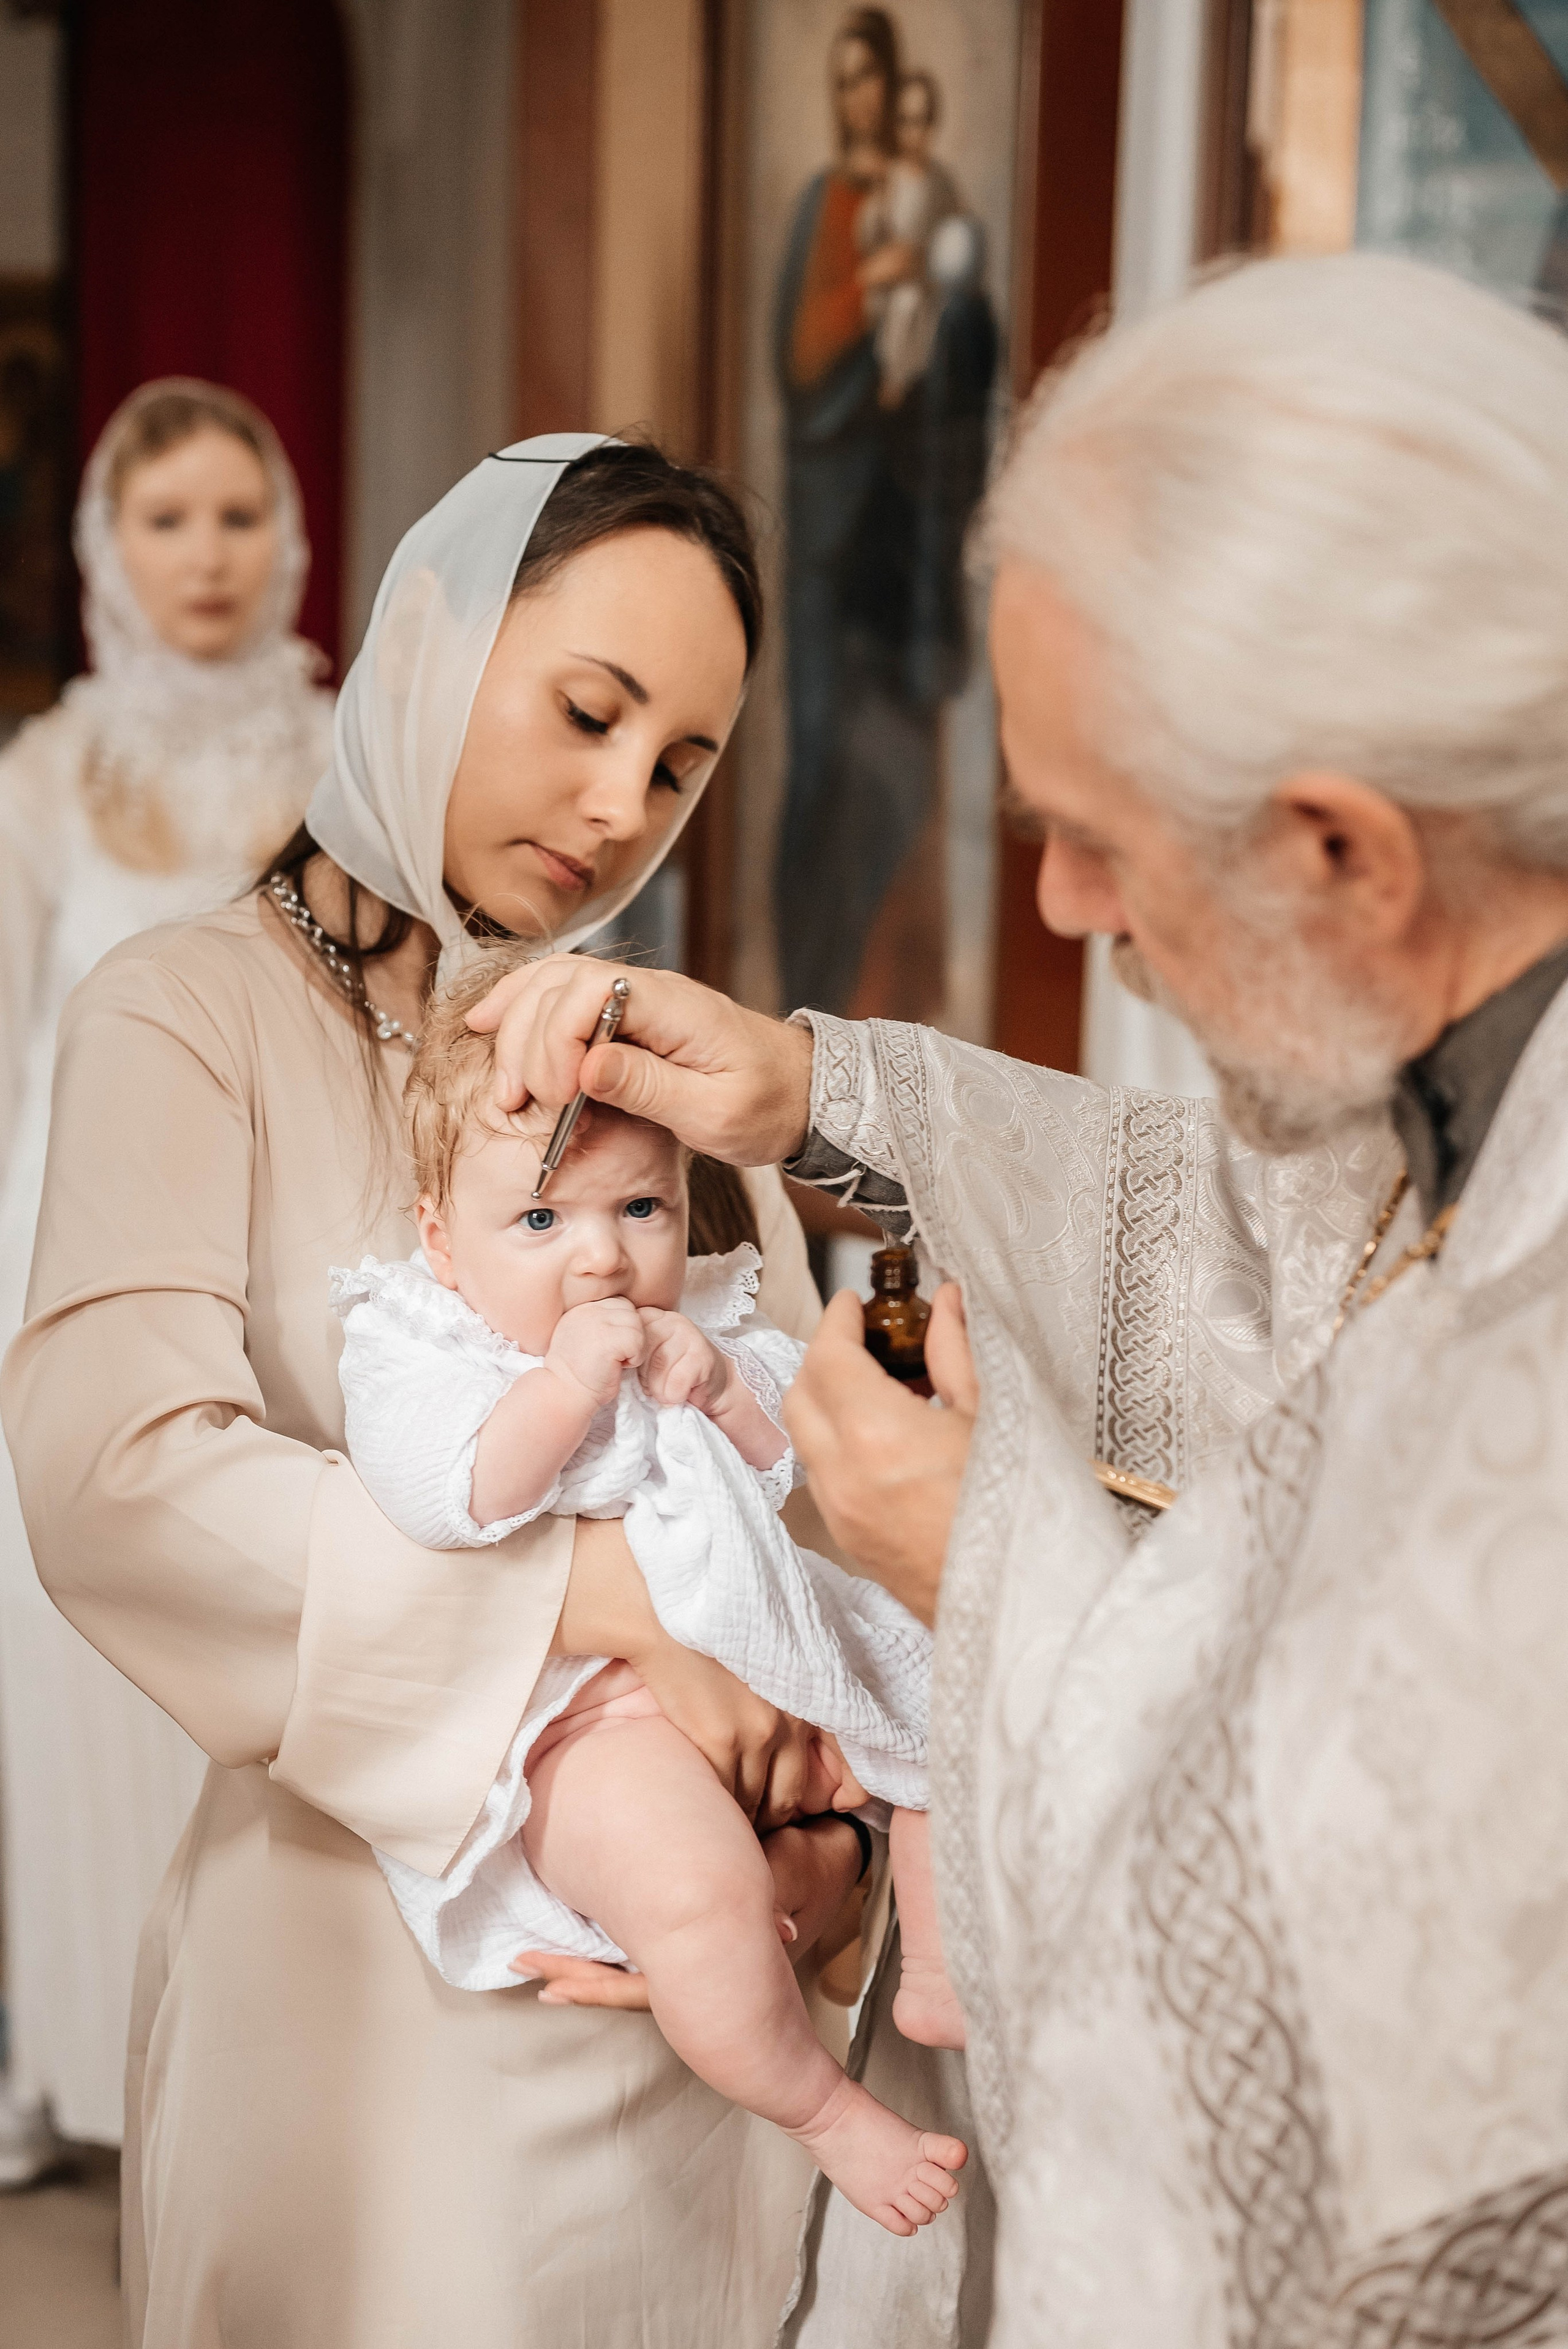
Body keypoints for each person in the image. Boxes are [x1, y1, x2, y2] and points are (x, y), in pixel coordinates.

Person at [466, 254, 1568, 2345]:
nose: (1063, 905)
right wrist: (820, 1093)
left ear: (1347, 851)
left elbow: (1401, 1883)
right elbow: (1251, 1228)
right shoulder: (1458, 1071)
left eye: (1089, 838)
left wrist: (983, 1551)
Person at [2, 432, 869, 2345]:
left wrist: (830, 1843)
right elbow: (118, 1474)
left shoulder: (648, 1050)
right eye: (585, 709)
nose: (619, 801)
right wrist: (611, 1602)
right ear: (419, 637)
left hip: (690, 2038)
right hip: (362, 2032)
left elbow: (798, 1463)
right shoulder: (186, 1010)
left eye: (681, 761)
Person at [330, 955, 964, 2231]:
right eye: (541, 1222)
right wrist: (562, 1390)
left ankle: (941, 1967)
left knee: (951, 1711)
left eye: (640, 1209)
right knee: (696, 1894)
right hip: (583, 1720)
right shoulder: (432, 1351)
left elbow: (801, 1465)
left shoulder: (714, 1322)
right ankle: (821, 2110)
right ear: (442, 1239)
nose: (601, 1261)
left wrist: (725, 1391)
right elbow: (451, 1498)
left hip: (768, 1646)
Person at [0, 378, 331, 2174]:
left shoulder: (358, 753)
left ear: (287, 535)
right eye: (166, 520)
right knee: (85, 1661)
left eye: (234, 515)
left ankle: (268, 2076)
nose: (206, 556)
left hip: (294, 1266)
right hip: (70, 1263)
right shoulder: (45, 779)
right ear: (104, 551)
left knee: (277, 1641)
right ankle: (90, 2057)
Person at [773, 7, 995, 1019]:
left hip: (901, 539)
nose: (860, 96)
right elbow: (801, 359)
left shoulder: (928, 199)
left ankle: (887, 1004)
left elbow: (961, 338)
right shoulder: (829, 205)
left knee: (900, 777)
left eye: (874, 78)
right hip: (829, 533)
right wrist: (872, 285)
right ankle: (803, 989)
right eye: (846, 79)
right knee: (822, 762)